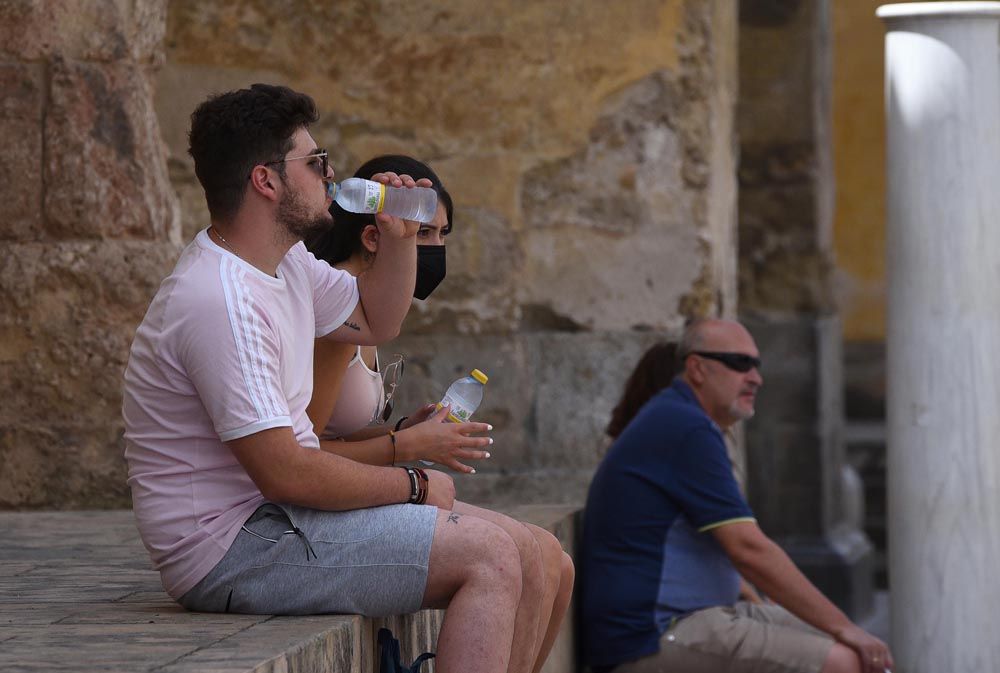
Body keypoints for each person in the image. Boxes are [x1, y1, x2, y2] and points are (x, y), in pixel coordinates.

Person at [122, 84, 529, 673]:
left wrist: (399, 237)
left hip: (273, 517)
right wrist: (412, 484)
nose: (332, 174)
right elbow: (285, 473)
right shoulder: (220, 299)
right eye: (314, 163)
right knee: (490, 557)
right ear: (266, 181)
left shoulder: (284, 263)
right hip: (231, 548)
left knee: (533, 553)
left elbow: (373, 319)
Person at [304, 154, 575, 673]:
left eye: (442, 235)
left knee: (553, 560)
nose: (436, 251)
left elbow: (338, 428)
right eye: (423, 235)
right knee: (523, 555)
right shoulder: (341, 316)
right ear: (373, 237)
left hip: (358, 481)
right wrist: (406, 449)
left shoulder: (367, 314)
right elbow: (305, 448)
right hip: (326, 502)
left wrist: (404, 430)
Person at [580, 319, 894, 673]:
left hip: (690, 617)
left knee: (859, 653)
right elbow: (748, 549)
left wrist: (838, 627)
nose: (755, 377)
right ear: (697, 368)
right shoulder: (685, 427)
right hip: (651, 637)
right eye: (740, 363)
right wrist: (846, 626)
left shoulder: (686, 421)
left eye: (757, 365)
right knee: (844, 661)